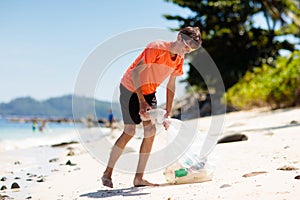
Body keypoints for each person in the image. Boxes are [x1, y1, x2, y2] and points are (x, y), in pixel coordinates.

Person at [101, 27, 202, 188]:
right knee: (130, 131)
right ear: (179, 37)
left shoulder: (179, 60)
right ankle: (107, 173)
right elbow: (135, 73)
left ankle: (138, 179)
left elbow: (171, 85)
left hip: (149, 91)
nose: (188, 49)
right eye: (188, 44)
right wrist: (141, 101)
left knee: (150, 131)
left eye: (193, 47)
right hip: (130, 88)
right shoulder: (156, 47)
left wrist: (168, 112)